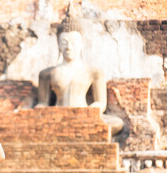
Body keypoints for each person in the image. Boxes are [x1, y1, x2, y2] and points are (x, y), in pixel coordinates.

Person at [37, 2, 123, 135]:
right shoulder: (47, 74)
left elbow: (101, 103)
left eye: (73, 42)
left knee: (116, 123)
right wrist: (36, 110)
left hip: (83, 117)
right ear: (58, 44)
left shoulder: (94, 72)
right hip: (57, 117)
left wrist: (90, 111)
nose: (69, 47)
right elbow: (42, 103)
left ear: (81, 43)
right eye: (64, 42)